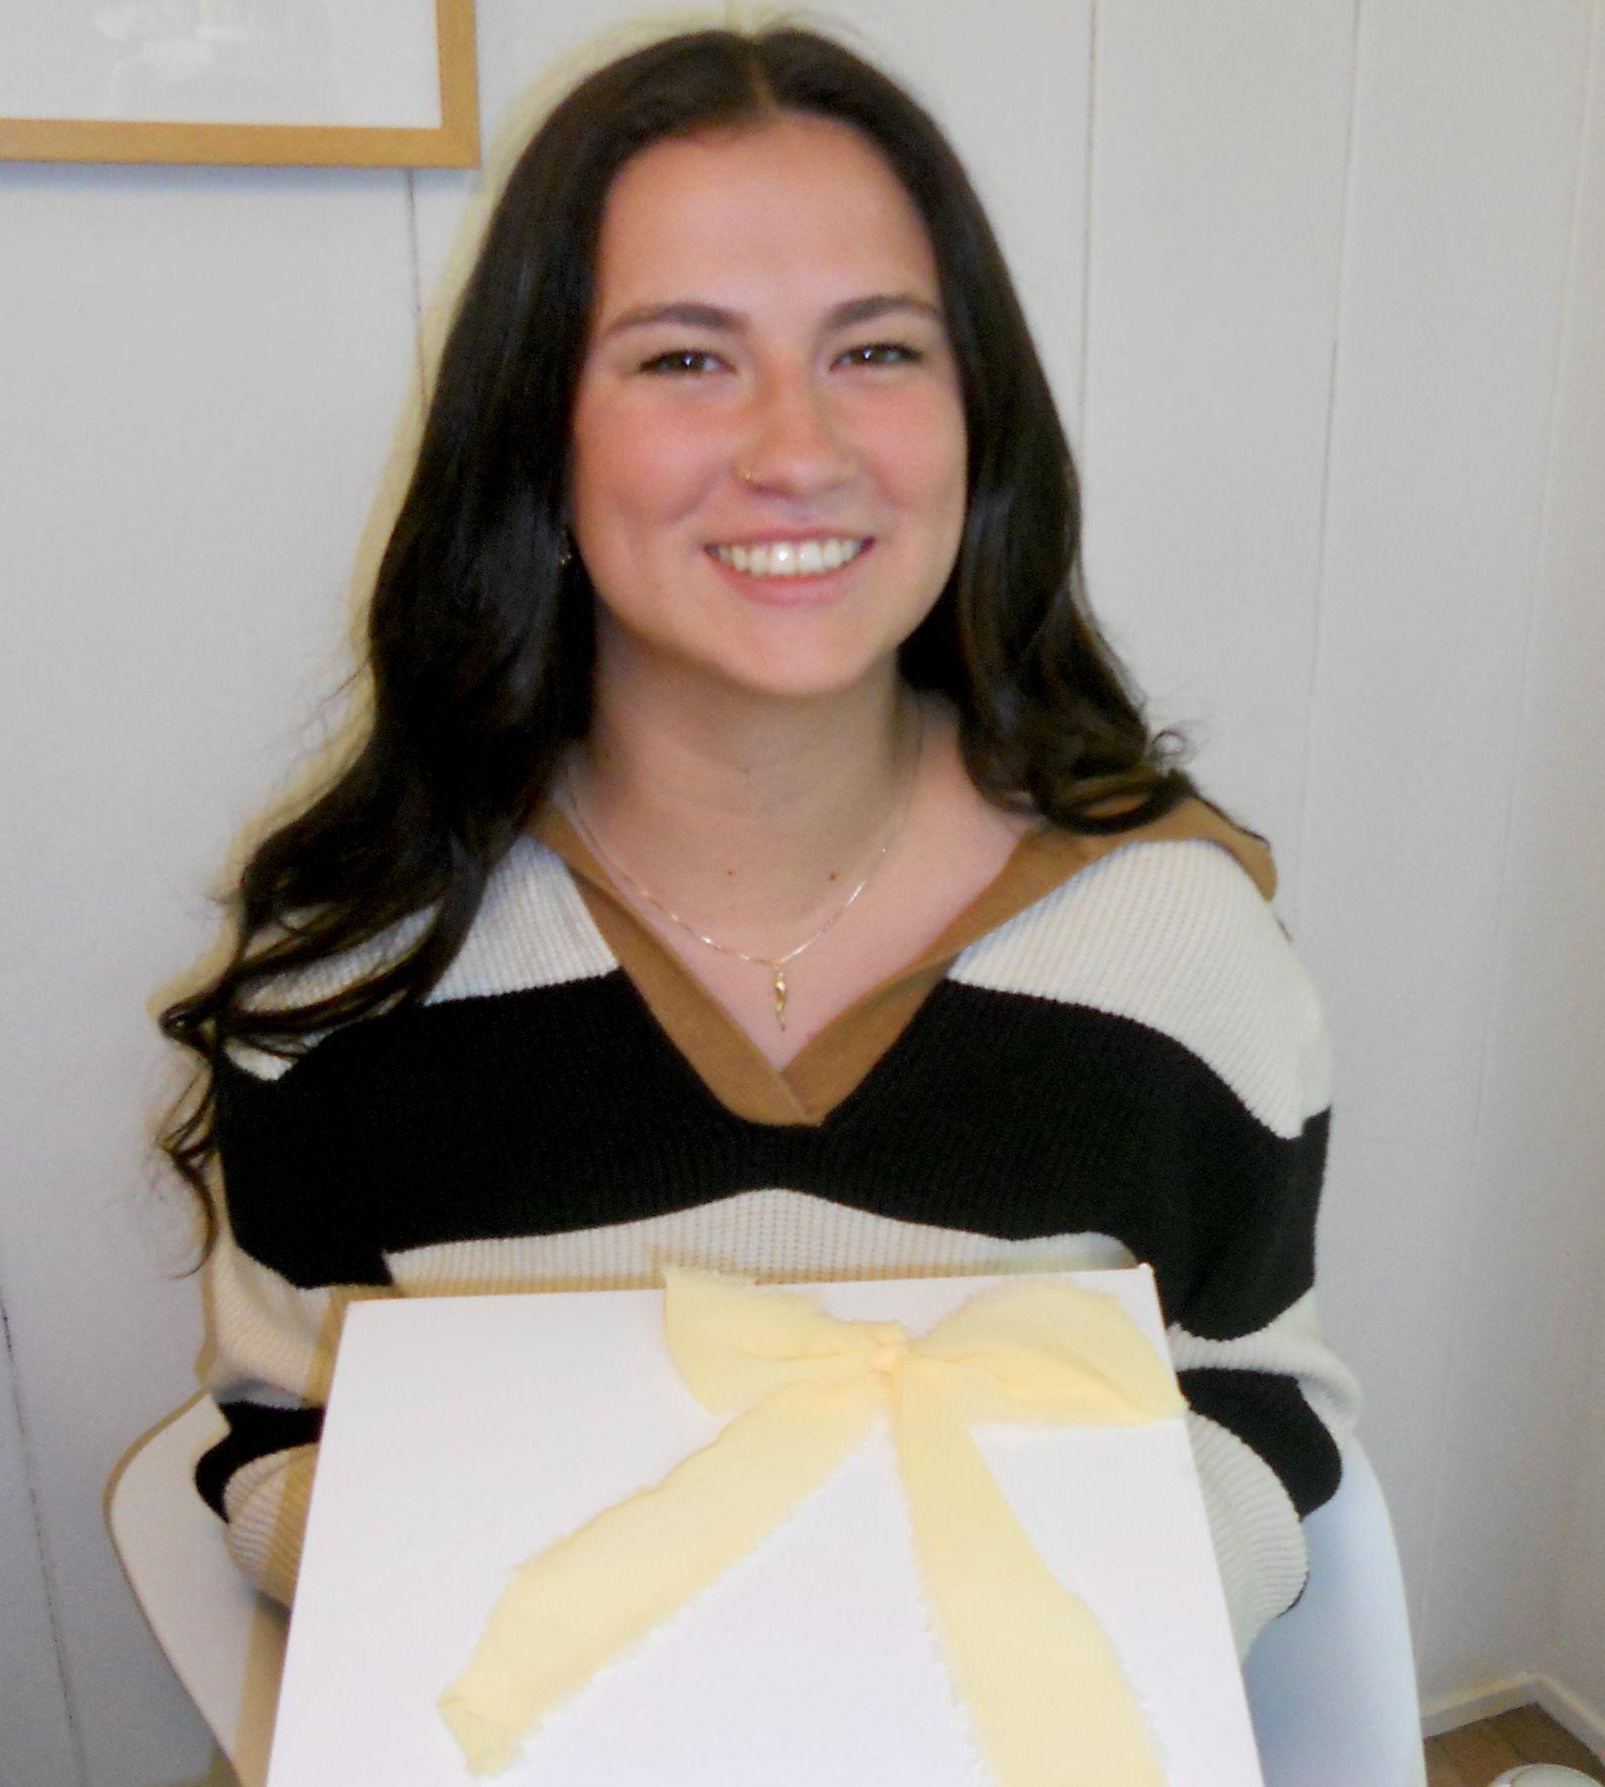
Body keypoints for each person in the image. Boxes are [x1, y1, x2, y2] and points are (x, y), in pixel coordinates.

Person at [157, 25, 1358, 1653]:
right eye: (684, 359)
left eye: (877, 350)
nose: (799, 451)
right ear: (538, 437)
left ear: (978, 419)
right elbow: (276, 1442)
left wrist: (919, 1661)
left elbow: (1256, 1414)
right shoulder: (356, 974)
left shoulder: (1178, 948)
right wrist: (666, 1644)